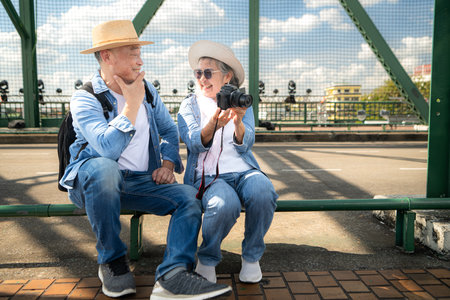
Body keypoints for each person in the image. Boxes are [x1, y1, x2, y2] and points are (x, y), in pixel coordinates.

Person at [59, 20, 231, 300]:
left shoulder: (148, 91)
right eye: (132, 52)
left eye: (140, 52)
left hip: (139, 182)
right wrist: (131, 104)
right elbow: (107, 149)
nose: (140, 60)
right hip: (95, 186)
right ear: (107, 56)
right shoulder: (85, 98)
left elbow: (168, 130)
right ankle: (112, 262)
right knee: (105, 169)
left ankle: (173, 275)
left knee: (188, 196)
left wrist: (167, 163)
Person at [177, 40, 278, 284]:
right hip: (209, 175)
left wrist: (238, 122)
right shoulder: (188, 105)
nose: (202, 78)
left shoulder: (240, 102)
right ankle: (208, 258)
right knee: (224, 204)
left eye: (208, 72)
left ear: (227, 76)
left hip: (243, 170)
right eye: (198, 73)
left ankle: (252, 257)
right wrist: (214, 123)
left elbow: (248, 141)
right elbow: (192, 142)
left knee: (264, 191)